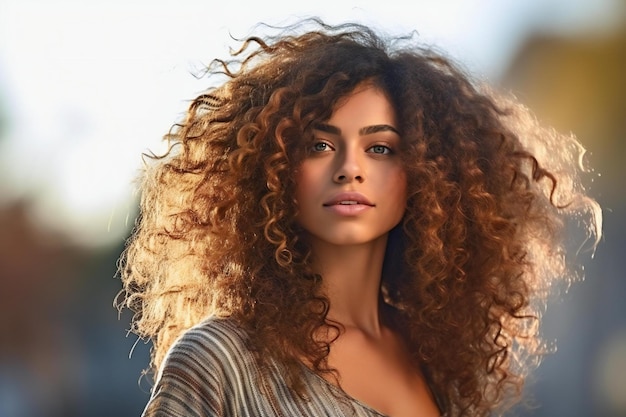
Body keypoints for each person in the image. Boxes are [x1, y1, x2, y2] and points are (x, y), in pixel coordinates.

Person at [116, 19, 601, 417]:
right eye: (320, 145)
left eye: (380, 148)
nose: (350, 168)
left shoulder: (431, 359)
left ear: (425, 176)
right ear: (277, 167)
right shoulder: (220, 357)